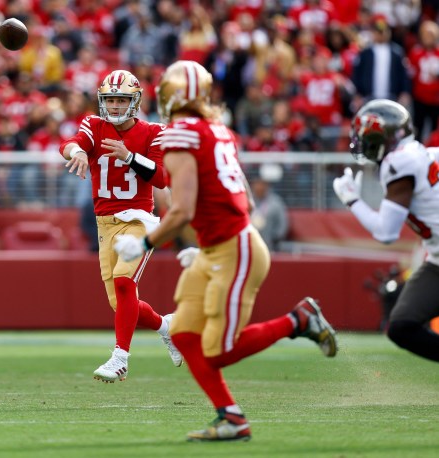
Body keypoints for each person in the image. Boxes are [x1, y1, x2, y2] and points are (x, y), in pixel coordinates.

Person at [113, 61, 338, 441]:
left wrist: (145, 243)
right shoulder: (218, 132)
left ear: (168, 97)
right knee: (183, 334)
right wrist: (204, 248)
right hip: (221, 246)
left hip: (235, 249)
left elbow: (182, 208)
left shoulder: (182, 136)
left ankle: (299, 320)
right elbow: (244, 202)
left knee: (217, 349)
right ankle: (232, 418)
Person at [60, 69, 182, 382]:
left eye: (121, 100)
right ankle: (168, 327)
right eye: (110, 99)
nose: (114, 106)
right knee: (122, 303)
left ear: (135, 101)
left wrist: (130, 157)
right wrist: (78, 155)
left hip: (139, 220)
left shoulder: (153, 131)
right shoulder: (94, 124)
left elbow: (162, 177)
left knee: (124, 282)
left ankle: (120, 358)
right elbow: (70, 144)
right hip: (105, 225)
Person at [333, 99, 439, 362]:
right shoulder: (426, 153)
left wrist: (352, 200)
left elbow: (386, 233)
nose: (363, 144)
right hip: (436, 260)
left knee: (403, 327)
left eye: (367, 137)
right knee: (403, 325)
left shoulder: (399, 163)